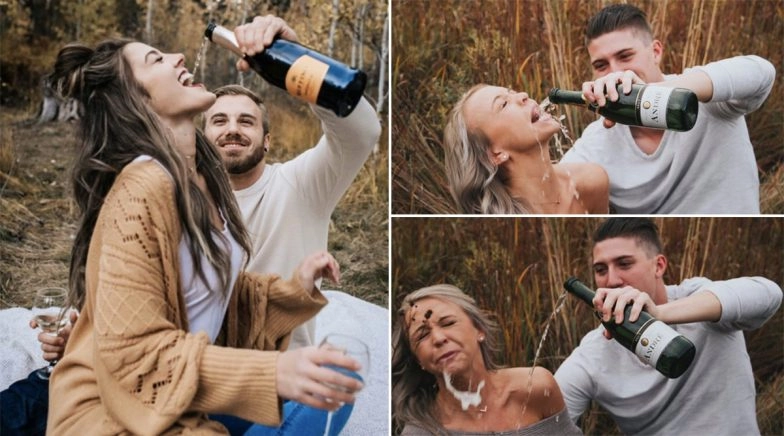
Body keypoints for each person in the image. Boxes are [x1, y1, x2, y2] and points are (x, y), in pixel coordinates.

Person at [40, 15, 365, 435]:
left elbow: (208, 297)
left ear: (267, 139)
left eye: (246, 121)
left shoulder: (203, 179)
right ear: (133, 100)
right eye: (156, 60)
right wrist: (273, 373)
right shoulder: (141, 186)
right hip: (118, 413)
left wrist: (292, 291)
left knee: (337, 381)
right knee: (318, 393)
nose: (177, 56)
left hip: (182, 390)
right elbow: (135, 352)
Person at [553, 218, 782, 434]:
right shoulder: (595, 351)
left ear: (659, 266)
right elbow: (548, 418)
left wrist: (659, 314)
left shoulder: (698, 300)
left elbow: (768, 294)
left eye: (624, 264)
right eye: (601, 270)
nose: (612, 280)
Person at [203, 80, 379, 350]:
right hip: (207, 364)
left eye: (246, 121)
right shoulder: (186, 198)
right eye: (219, 121)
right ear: (203, 139)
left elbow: (362, 131)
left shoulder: (300, 184)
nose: (233, 129)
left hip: (288, 366)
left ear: (267, 141)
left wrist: (299, 69)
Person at [560, 3, 776, 213]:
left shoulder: (705, 98)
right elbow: (555, 192)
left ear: (655, 52)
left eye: (625, 56)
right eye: (601, 65)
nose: (615, 72)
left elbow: (762, 72)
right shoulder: (597, 141)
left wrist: (650, 95)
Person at [392, 284, 582, 435]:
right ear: (418, 359)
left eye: (448, 323)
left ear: (479, 330)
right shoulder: (423, 431)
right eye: (422, 335)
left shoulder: (536, 387)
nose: (439, 338)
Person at [443, 84, 608, 214]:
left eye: (512, 92)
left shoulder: (591, 181)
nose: (523, 95)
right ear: (494, 154)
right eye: (503, 104)